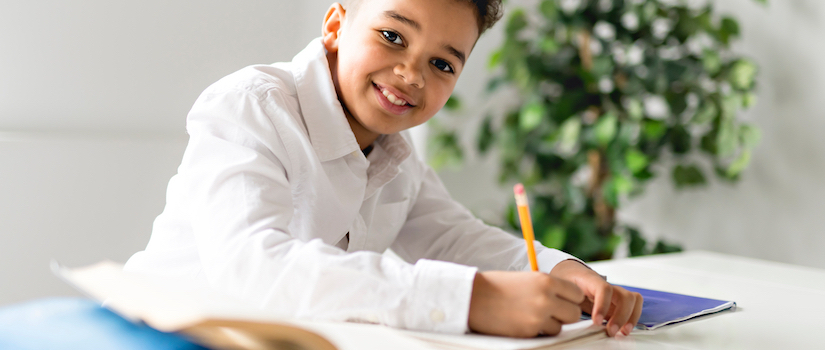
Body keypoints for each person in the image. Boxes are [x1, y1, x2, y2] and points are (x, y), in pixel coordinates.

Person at [124, 0, 643, 338]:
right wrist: (469, 300)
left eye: (443, 64)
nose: (411, 73)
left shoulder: (396, 153)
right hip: (160, 337)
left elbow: (454, 238)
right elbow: (254, 266)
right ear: (335, 24)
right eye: (394, 36)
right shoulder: (252, 106)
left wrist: (560, 269)